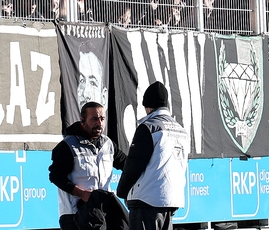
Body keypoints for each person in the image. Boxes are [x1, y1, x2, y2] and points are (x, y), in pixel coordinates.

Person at [116, 82, 189, 230]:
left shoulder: (148, 127)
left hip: (146, 201)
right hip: (171, 200)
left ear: (147, 106)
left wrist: (122, 191)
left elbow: (134, 164)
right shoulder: (181, 130)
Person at [49, 102, 128, 230]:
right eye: (94, 119)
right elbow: (56, 176)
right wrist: (82, 194)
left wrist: (129, 192)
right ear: (82, 120)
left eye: (102, 119)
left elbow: (128, 166)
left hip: (103, 213)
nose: (99, 123)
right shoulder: (68, 146)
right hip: (74, 214)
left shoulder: (108, 144)